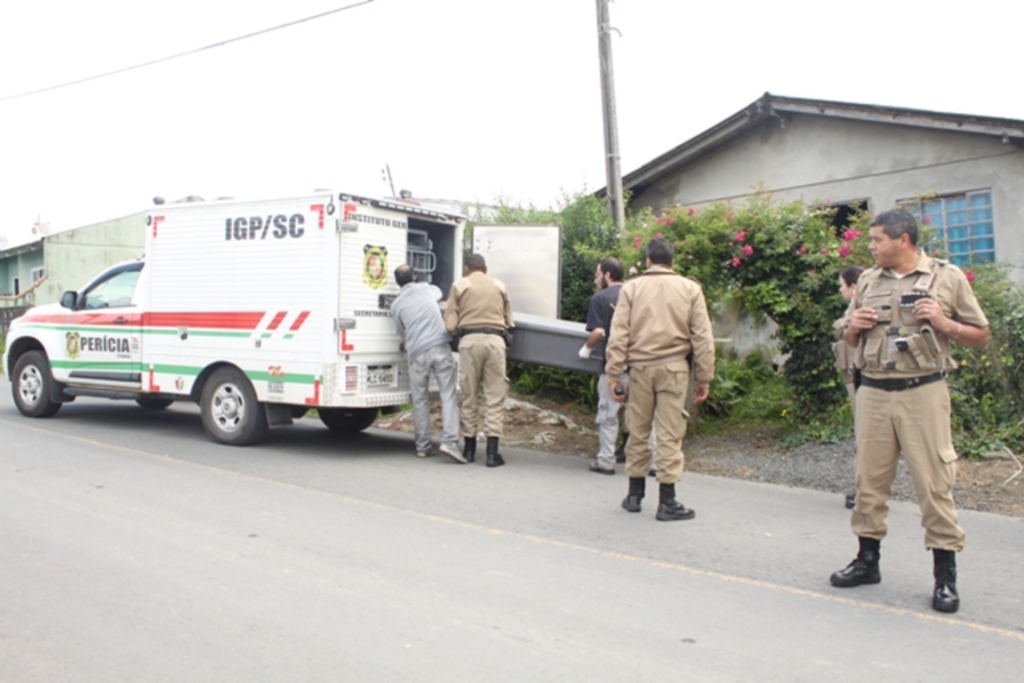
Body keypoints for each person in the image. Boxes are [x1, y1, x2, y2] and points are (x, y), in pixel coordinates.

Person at [829, 209, 989, 614]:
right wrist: (855, 326)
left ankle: (945, 578)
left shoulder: (946, 278)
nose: (871, 246)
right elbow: (847, 336)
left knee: (934, 483)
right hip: (874, 392)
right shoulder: (867, 280)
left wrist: (944, 322)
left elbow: (981, 335)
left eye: (877, 239)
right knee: (869, 481)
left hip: (923, 392)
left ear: (903, 240)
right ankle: (867, 561)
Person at [604, 237, 715, 521]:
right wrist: (704, 377)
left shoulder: (632, 288)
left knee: (637, 431)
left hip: (639, 368)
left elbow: (619, 335)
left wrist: (614, 375)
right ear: (672, 262)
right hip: (674, 368)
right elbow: (702, 337)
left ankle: (634, 495)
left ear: (648, 261)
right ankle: (667, 501)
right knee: (669, 434)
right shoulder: (690, 289)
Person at [444, 253, 515, 467]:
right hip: (495, 342)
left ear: (467, 268)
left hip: (470, 342)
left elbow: (450, 324)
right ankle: (493, 453)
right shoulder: (499, 286)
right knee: (495, 395)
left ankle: (470, 449)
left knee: (469, 395)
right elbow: (509, 320)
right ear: (485, 269)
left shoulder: (460, 285)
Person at [390, 264, 465, 464]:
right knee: (447, 395)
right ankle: (449, 441)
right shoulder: (426, 289)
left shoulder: (396, 306)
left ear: (397, 282)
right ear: (414, 276)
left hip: (416, 351)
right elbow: (440, 292)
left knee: (420, 399)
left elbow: (401, 331)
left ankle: (423, 446)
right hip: (439, 346)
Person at [578, 257, 624, 475]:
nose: (596, 279)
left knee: (608, 415)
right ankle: (653, 464)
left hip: (613, 366)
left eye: (598, 274)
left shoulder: (600, 298)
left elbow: (598, 332)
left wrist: (586, 349)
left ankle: (606, 461)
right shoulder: (635, 295)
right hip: (640, 365)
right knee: (645, 417)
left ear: (607, 275)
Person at [834, 265, 863, 509]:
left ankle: (864, 489)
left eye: (842, 285)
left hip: (860, 375)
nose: (840, 290)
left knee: (864, 433)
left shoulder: (861, 307)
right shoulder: (855, 307)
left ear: (853, 287)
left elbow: (847, 330)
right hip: (854, 374)